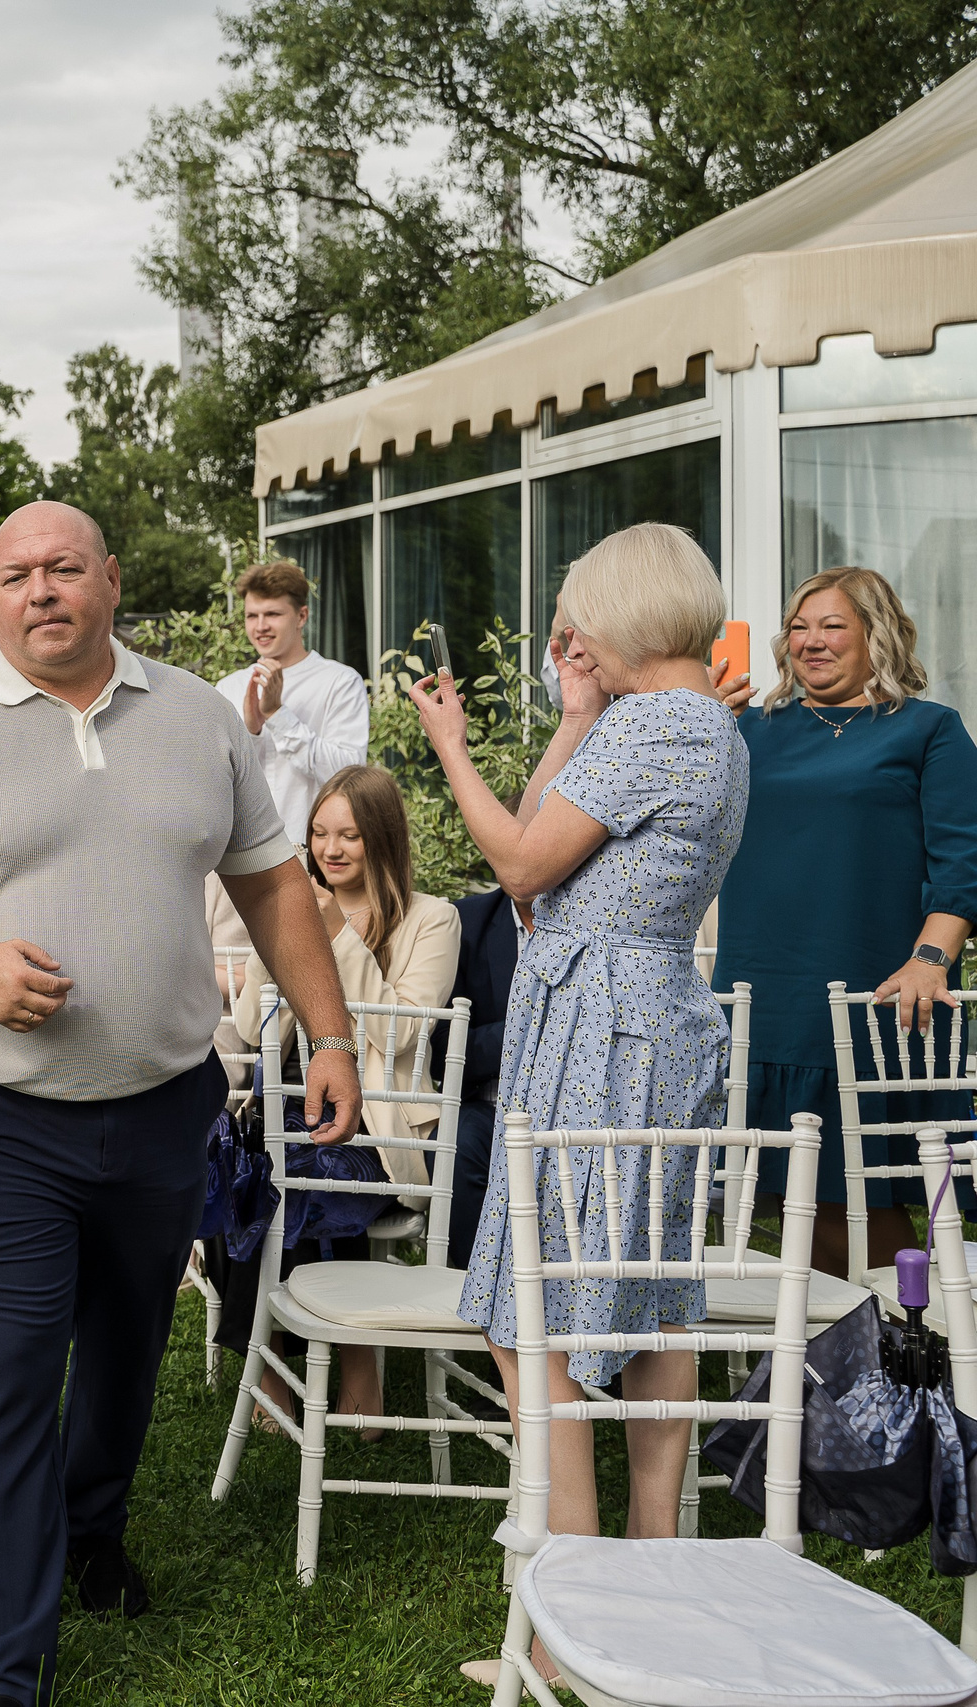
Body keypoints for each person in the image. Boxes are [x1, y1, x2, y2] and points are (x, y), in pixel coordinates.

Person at [0, 499, 362, 1707]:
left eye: (63, 568)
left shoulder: (199, 716)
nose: (40, 590)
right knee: (10, 1371)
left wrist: (330, 1033)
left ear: (111, 581)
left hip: (168, 1101)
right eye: (15, 574)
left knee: (126, 1346)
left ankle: (92, 1530)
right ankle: (8, 1666)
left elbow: (270, 888)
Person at [404, 522, 746, 1683]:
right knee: (648, 1305)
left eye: (581, 615)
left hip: (599, 1030)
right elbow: (556, 834)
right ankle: (649, 1584)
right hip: (636, 1019)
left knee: (531, 1324)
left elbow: (516, 864)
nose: (574, 633)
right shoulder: (701, 723)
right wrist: (564, 713)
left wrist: (449, 744)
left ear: (621, 610)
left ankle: (576, 1627)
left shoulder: (657, 726)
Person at [711, 566, 977, 1276]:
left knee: (852, 1198)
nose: (810, 641)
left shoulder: (929, 729)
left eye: (832, 625)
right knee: (781, 1198)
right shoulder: (748, 729)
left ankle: (917, 1346)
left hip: (869, 996)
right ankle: (855, 1358)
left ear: (875, 634)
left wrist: (931, 957)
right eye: (799, 626)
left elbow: (963, 864)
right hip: (759, 996)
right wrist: (698, 719)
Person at [221, 764, 461, 1425]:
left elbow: (402, 1030)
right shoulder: (301, 911)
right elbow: (249, 1030)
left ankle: (267, 1364)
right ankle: (329, 1364)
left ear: (381, 839)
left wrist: (335, 936)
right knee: (244, 1163)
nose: (330, 850)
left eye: (349, 835)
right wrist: (277, 944)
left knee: (272, 1173)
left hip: (376, 1137)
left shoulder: (430, 920)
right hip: (289, 1113)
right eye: (320, 834)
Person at [214, 559, 370, 847]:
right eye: (252, 616)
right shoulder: (228, 687)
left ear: (301, 616)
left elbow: (348, 776)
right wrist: (252, 733)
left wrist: (277, 714)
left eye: (272, 614)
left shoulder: (340, 682)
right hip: (240, 855)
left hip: (312, 852)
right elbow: (216, 783)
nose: (260, 626)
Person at [445, 883, 523, 1273]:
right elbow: (444, 1047)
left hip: (580, 1111)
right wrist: (525, 1032)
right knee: (460, 1145)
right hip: (488, 1104)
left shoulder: (603, 919)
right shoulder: (464, 921)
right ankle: (473, 1288)